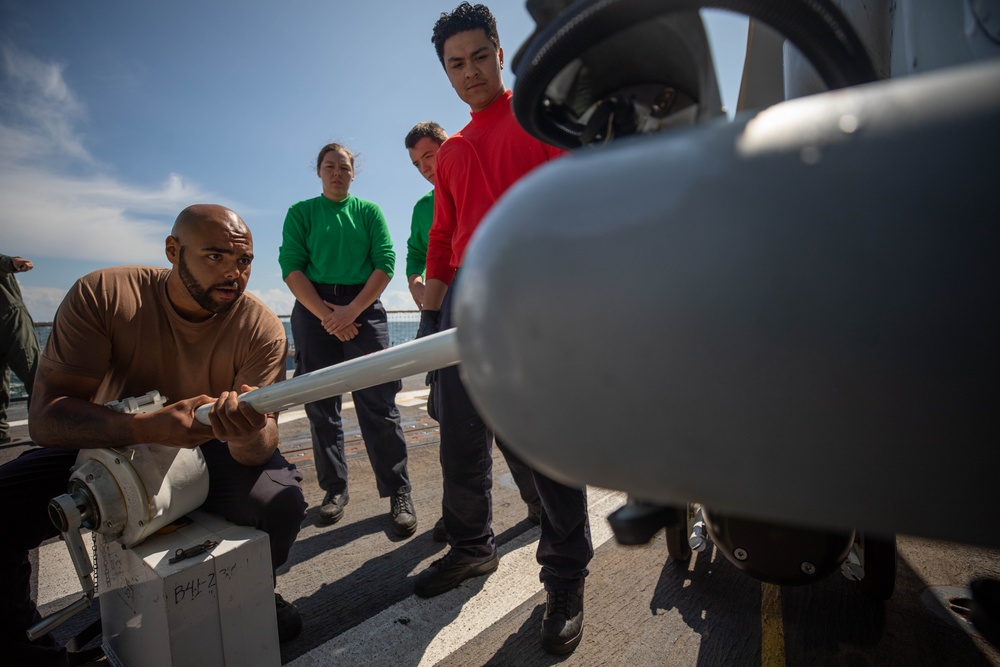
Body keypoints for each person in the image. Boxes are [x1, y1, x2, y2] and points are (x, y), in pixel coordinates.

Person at [0, 205, 307, 666]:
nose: (234, 274)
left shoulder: (260, 327)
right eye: (215, 257)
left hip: (211, 448)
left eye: (244, 261)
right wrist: (143, 426)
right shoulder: (104, 294)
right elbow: (46, 418)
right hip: (107, 445)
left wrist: (245, 435)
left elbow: (262, 445)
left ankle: (252, 592)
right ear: (172, 250)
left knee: (279, 500)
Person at [414, 3, 594, 656]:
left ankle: (566, 578)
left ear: (498, 50)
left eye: (477, 57)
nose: (469, 73)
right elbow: (440, 241)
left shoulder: (538, 115)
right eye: (454, 65)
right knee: (461, 436)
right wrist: (431, 319)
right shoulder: (454, 150)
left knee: (546, 443)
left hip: (537, 288)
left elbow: (580, 200)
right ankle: (471, 548)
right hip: (466, 298)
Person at [403, 121, 542, 544]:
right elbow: (422, 251)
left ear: (449, 147)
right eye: (417, 163)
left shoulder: (475, 168)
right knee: (457, 426)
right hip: (448, 309)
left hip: (496, 300)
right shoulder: (423, 207)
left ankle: (539, 502)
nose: (427, 167)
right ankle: (463, 516)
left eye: (430, 155)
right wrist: (420, 292)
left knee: (508, 420)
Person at [279, 143, 416, 536]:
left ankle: (398, 491)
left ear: (353, 173)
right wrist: (329, 316)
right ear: (318, 172)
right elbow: (291, 266)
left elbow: (385, 261)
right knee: (322, 407)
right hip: (314, 306)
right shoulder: (300, 213)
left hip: (363, 305)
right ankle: (334, 490)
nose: (337, 172)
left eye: (344, 167)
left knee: (379, 404)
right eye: (329, 166)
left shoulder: (368, 212)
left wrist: (351, 312)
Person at [0, 253, 41, 445]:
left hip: (11, 321)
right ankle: (0, 434)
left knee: (35, 375)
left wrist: (14, 262)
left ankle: (42, 430)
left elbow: (4, 262)